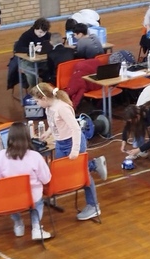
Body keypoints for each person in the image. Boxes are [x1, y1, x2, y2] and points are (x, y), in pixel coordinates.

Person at [30, 83, 106, 221]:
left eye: (37, 101)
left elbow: (75, 129)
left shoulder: (62, 108)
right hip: (61, 143)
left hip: (72, 142)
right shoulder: (49, 108)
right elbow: (54, 123)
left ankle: (94, 206)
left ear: (44, 98)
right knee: (64, 172)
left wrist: (75, 150)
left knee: (83, 174)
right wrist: (48, 132)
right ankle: (94, 164)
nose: (37, 104)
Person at [0, 122, 53, 240]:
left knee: (11, 198)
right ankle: (36, 227)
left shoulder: (1, 155)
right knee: (38, 202)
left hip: (11, 198)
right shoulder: (35, 156)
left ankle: (18, 224)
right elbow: (46, 179)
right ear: (28, 137)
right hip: (32, 197)